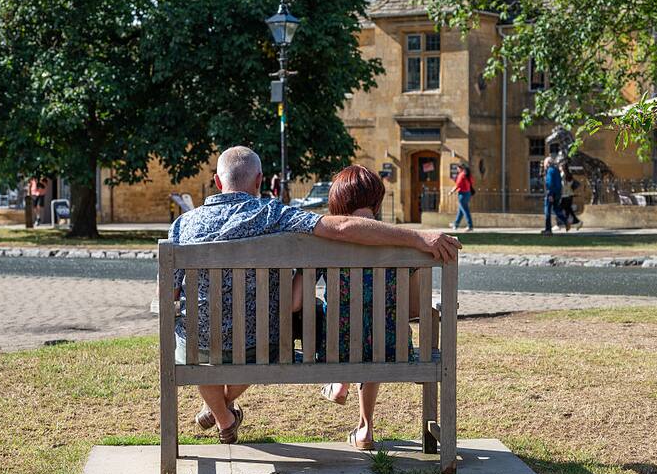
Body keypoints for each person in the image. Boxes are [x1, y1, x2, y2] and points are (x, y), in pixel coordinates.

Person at [168, 147, 460, 444]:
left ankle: (222, 415)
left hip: (196, 346)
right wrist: (418, 236)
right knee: (265, 337)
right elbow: (343, 227)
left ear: (218, 182)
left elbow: (168, 293)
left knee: (197, 349)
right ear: (259, 181)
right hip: (262, 345)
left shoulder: (182, 226)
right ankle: (224, 415)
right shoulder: (272, 213)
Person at [309, 166, 420, 450]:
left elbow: (300, 294)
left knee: (342, 320)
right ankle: (365, 429)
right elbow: (414, 308)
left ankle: (340, 380)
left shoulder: (325, 244)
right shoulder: (403, 241)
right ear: (377, 200)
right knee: (377, 326)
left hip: (339, 345)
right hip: (392, 345)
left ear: (338, 203)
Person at [541, 157, 568, 235]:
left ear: (548, 163)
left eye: (545, 163)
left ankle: (548, 230)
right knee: (556, 209)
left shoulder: (550, 170)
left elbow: (550, 183)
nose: (544, 165)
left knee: (547, 211)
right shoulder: (556, 170)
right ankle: (566, 221)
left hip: (551, 194)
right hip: (558, 193)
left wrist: (550, 194)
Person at [448, 163, 474, 231]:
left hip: (462, 194)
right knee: (461, 211)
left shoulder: (461, 175)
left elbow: (457, 185)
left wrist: (451, 191)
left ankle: (470, 225)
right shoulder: (468, 174)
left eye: (457, 168)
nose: (457, 169)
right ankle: (456, 224)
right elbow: (472, 182)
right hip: (468, 193)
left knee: (465, 210)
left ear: (460, 168)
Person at [559, 161, 582, 230]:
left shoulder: (562, 174)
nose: (559, 167)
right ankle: (575, 223)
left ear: (562, 167)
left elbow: (563, 185)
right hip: (570, 195)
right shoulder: (569, 174)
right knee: (568, 210)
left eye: (560, 166)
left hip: (565, 195)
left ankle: (562, 224)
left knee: (560, 209)